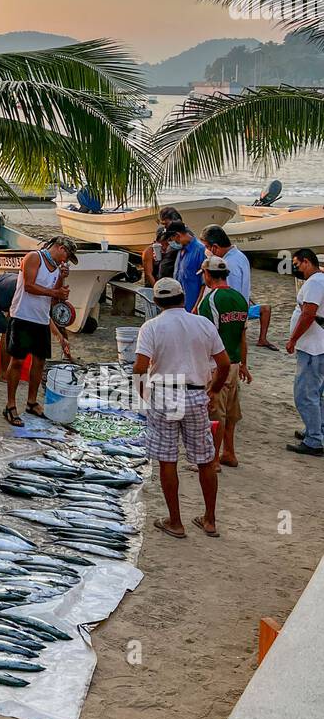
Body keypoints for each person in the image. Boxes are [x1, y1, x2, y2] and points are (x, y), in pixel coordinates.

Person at [132, 277, 230, 539]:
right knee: (205, 459)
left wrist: (144, 395)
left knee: (168, 459)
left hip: (165, 393)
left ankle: (175, 521)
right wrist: (214, 390)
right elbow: (224, 363)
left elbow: (139, 367)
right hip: (195, 393)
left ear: (156, 301)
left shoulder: (151, 327)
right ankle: (209, 519)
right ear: (183, 298)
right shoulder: (203, 323)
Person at [4, 237, 78, 425]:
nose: (66, 260)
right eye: (67, 255)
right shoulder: (34, 257)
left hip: (42, 319)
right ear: (60, 248)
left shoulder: (57, 268)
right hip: (22, 316)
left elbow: (54, 298)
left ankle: (31, 402)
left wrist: (61, 279)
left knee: (39, 362)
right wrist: (55, 292)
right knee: (18, 361)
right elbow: (29, 286)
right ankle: (10, 405)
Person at [197, 255, 251, 468]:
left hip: (217, 365)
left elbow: (207, 337)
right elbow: (243, 336)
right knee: (230, 412)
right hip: (235, 362)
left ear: (208, 274)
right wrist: (244, 364)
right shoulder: (240, 298)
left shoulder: (211, 300)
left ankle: (212, 461)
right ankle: (229, 452)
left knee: (214, 413)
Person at [0, 269, 71, 377]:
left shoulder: (38, 290)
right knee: (7, 330)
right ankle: (3, 372)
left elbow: (46, 317)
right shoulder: (25, 291)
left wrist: (61, 339)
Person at [200, 224, 276, 349]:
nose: (206, 250)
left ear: (215, 247)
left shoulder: (230, 263)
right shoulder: (239, 256)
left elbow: (230, 296)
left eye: (207, 247)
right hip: (238, 312)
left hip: (230, 317)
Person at [286, 248, 324, 457]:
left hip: (312, 347)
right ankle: (316, 430)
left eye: (297, 264)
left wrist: (293, 339)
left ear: (306, 262)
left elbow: (308, 313)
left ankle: (314, 440)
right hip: (317, 344)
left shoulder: (315, 283)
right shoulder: (320, 281)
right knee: (316, 393)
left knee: (305, 394)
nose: (296, 269)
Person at [164, 222, 206, 313]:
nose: (172, 244)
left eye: (172, 239)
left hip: (193, 307)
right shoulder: (180, 251)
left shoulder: (200, 250)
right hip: (179, 307)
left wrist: (197, 306)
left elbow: (205, 283)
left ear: (177, 235)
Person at [156, 208, 183, 279]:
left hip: (174, 279)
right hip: (165, 278)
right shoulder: (168, 233)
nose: (165, 227)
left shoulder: (183, 237)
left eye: (166, 224)